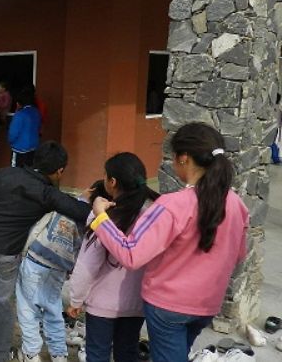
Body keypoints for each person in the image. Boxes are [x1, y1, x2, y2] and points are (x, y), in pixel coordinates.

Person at [89, 123, 249, 361]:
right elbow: (238, 254)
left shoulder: (172, 205)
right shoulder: (236, 204)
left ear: (184, 158)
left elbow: (131, 254)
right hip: (207, 304)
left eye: (173, 158)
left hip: (168, 307)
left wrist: (101, 218)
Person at [0, 141, 90, 362]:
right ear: (59, 170)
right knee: (0, 303)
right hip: (5, 253)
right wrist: (94, 201)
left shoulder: (7, 173)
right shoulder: (47, 193)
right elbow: (79, 211)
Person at [67, 153, 159, 362]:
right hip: (137, 304)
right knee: (127, 353)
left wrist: (76, 298)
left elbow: (88, 264)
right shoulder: (153, 215)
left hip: (102, 305)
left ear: (113, 182)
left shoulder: (104, 216)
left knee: (97, 354)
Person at [14, 194, 87, 361]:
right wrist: (70, 269)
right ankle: (59, 354)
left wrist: (23, 252)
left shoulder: (58, 208)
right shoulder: (86, 218)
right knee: (53, 311)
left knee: (27, 309)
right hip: (58, 268)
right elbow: (81, 250)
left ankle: (31, 353)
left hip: (35, 260)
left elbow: (36, 229)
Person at [8, 86, 41, 168]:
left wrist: (11, 142)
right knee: (29, 172)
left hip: (19, 148)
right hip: (33, 147)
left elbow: (13, 133)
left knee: (16, 172)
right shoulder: (36, 112)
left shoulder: (20, 114)